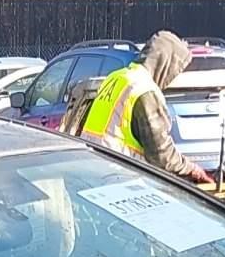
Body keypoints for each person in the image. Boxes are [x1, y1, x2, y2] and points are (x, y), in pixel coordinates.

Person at [73, 31, 212, 184]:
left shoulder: (116, 77)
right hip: (120, 177)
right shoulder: (144, 90)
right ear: (166, 64)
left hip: (92, 170)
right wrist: (192, 170)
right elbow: (162, 156)